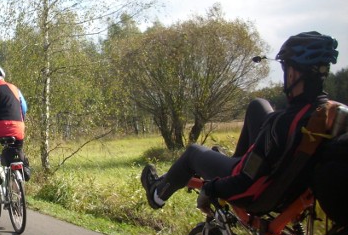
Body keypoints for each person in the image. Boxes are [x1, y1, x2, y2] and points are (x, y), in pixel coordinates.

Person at [141, 31, 339, 214]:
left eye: (285, 69)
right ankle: (232, 160)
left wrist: (211, 188)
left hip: (256, 191)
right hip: (289, 187)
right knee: (257, 105)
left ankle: (157, 194)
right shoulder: (329, 111)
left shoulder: (282, 123)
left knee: (192, 152)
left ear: (294, 74)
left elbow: (245, 184)